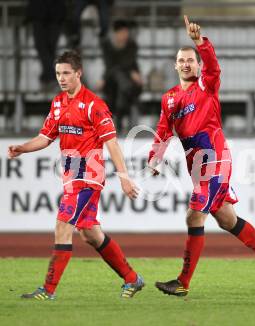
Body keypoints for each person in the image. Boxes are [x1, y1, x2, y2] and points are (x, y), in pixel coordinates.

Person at [148, 16, 255, 297]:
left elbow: (213, 65)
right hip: (196, 165)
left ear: (198, 65)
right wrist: (155, 157)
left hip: (215, 160)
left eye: (191, 60)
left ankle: (183, 282)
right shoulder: (169, 99)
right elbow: (163, 131)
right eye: (182, 60)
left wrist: (199, 42)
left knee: (194, 216)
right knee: (226, 219)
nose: (187, 64)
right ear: (175, 66)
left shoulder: (207, 86)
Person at [8, 51, 144, 300]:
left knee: (63, 226)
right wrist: (23, 148)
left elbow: (112, 143)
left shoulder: (94, 105)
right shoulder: (58, 103)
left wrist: (124, 177)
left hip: (88, 178)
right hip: (71, 178)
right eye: (58, 73)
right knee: (90, 233)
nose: (61, 78)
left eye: (66, 73)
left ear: (78, 73)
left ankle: (47, 291)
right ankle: (132, 279)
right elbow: (45, 137)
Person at [99, 19, 143, 132]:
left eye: (126, 32)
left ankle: (117, 118)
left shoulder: (132, 45)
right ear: (116, 33)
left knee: (122, 85)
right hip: (113, 79)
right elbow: (111, 64)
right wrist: (130, 71)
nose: (125, 35)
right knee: (120, 81)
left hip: (128, 82)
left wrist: (128, 71)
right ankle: (119, 117)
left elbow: (127, 62)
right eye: (122, 32)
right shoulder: (107, 45)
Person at [26, 0, 66, 89]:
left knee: (46, 46)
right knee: (47, 46)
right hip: (50, 12)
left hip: (47, 11)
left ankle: (48, 76)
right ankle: (49, 76)